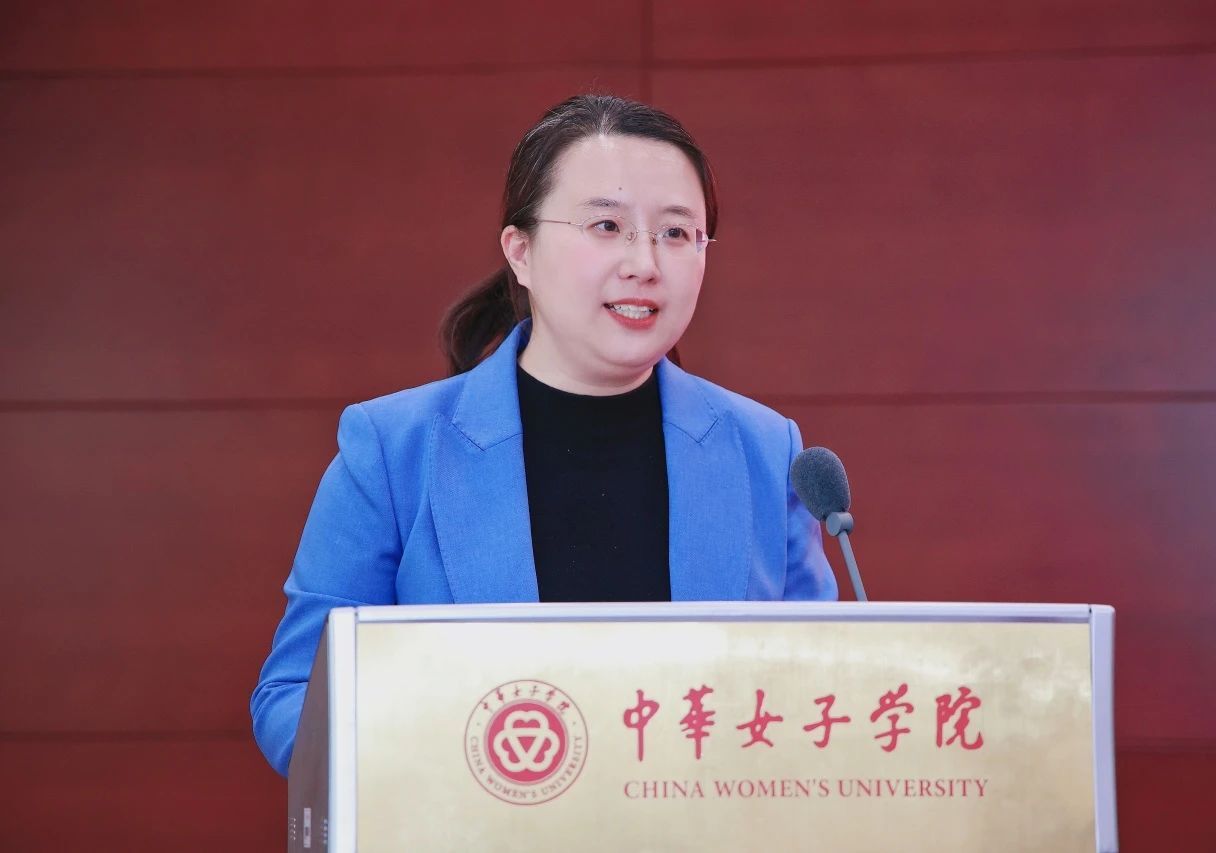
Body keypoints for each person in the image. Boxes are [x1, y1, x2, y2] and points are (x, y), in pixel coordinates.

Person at [250, 94, 837, 776]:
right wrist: (430, 771)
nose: (644, 262)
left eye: (677, 233)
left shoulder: (766, 451)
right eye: (607, 225)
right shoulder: (393, 450)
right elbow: (294, 696)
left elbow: (823, 690)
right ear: (521, 252)